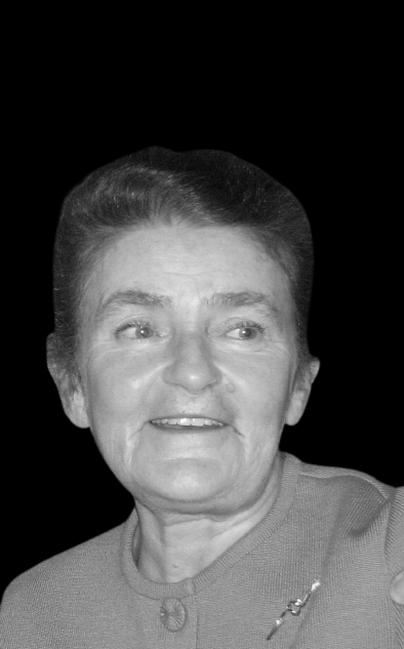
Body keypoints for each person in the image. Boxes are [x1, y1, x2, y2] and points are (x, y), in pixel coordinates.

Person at [1, 147, 403, 648]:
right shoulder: (31, 615)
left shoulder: (392, 545)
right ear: (71, 384)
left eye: (243, 330)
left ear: (299, 385)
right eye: (139, 329)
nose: (192, 373)